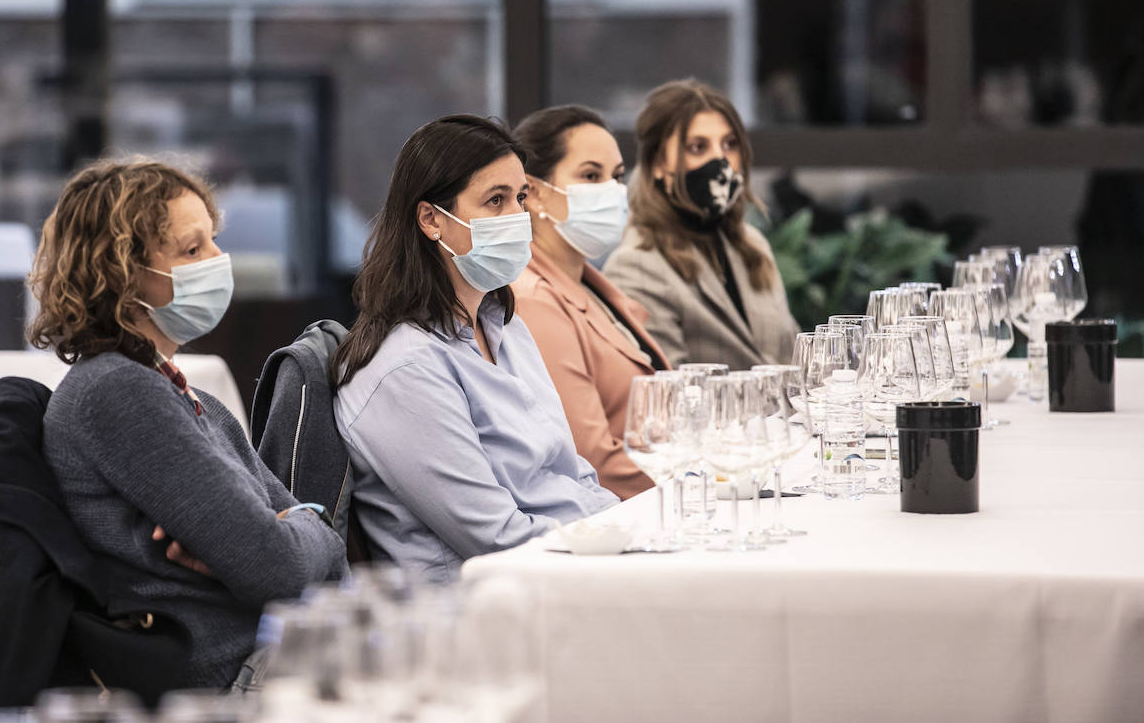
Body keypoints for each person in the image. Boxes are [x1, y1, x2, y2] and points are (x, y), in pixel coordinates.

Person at [28, 158, 347, 689]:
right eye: (192, 250)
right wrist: (301, 528)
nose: (220, 261)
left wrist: (297, 527)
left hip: (279, 655)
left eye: (213, 242)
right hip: (235, 682)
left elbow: (309, 550)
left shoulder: (188, 396)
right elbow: (281, 569)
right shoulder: (116, 392)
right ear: (121, 275)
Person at [332, 114, 618, 580]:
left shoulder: (504, 326)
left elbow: (574, 476)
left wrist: (629, 530)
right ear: (430, 220)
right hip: (486, 609)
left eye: (521, 198)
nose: (517, 218)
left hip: (566, 570)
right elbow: (495, 538)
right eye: (495, 200)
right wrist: (613, 551)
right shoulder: (405, 368)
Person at [510, 105, 670, 500]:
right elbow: (593, 460)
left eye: (616, 177)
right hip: (623, 518)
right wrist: (709, 483)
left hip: (660, 500)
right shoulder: (533, 298)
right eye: (590, 175)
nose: (612, 191)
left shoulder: (590, 285)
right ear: (533, 194)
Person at [603, 78, 799, 369]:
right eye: (698, 147)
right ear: (658, 164)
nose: (720, 161)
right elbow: (671, 391)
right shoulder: (637, 265)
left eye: (730, 145)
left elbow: (796, 357)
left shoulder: (752, 244)